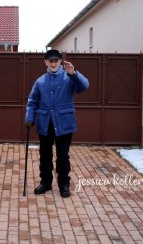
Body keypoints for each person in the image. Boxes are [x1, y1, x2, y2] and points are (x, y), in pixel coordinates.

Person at [25, 49, 89, 198]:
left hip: (64, 123)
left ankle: (64, 184)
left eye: (56, 61)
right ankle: (46, 182)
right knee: (45, 155)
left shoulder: (69, 77)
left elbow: (84, 86)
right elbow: (32, 101)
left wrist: (74, 73)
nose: (53, 63)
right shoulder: (40, 81)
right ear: (46, 62)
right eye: (50, 61)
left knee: (63, 156)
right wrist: (29, 118)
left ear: (60, 62)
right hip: (45, 122)